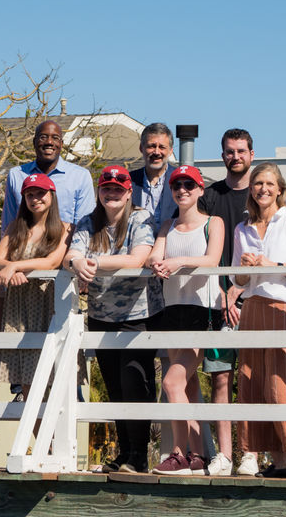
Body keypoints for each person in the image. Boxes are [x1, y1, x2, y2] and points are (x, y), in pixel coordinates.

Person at [66, 166, 158, 474]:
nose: (112, 192)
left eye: (119, 188)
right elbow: (71, 255)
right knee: (115, 387)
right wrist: (77, 260)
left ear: (129, 192)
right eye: (107, 187)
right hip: (101, 313)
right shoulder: (87, 222)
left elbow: (136, 259)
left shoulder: (140, 218)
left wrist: (91, 262)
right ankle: (124, 452)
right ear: (99, 192)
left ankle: (139, 454)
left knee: (136, 383)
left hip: (137, 315)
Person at [232, 164, 286, 477]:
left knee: (281, 386)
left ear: (279, 188)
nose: (263, 189)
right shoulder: (242, 228)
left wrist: (273, 263)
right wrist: (244, 267)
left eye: (269, 183)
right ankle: (277, 463)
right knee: (253, 386)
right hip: (253, 307)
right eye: (257, 183)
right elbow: (238, 280)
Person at [147, 165, 224, 476]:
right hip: (173, 309)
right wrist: (157, 262)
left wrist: (177, 262)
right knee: (188, 386)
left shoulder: (212, 223)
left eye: (189, 185)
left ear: (200, 189)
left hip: (201, 310)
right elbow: (155, 255)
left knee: (171, 382)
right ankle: (198, 455)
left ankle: (178, 453)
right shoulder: (167, 225)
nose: (182, 190)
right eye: (177, 185)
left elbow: (212, 260)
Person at [198, 128, 256, 475]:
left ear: (251, 153)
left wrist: (242, 290)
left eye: (241, 151)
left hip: (255, 298)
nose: (235, 156)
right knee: (221, 378)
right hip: (218, 301)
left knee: (250, 378)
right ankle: (225, 454)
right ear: (222, 156)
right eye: (229, 151)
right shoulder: (209, 196)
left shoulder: (263, 193)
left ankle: (250, 452)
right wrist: (221, 292)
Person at [0, 174, 70, 396]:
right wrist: (11, 268)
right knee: (28, 385)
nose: (35, 199)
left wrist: (15, 266)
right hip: (19, 309)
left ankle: (57, 433)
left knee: (55, 382)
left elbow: (51, 262)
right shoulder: (15, 227)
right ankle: (37, 432)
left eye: (40, 193)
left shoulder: (65, 228)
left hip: (49, 306)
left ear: (51, 196)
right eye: (29, 194)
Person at [1, 120, 95, 232]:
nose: (49, 142)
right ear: (34, 142)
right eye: (43, 137)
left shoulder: (80, 176)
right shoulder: (16, 175)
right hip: (24, 246)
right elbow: (8, 225)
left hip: (67, 247)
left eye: (55, 138)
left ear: (61, 144)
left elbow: (84, 229)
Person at [130, 123, 177, 234]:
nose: (156, 152)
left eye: (162, 147)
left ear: (170, 151)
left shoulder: (182, 182)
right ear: (141, 148)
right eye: (151, 146)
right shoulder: (128, 181)